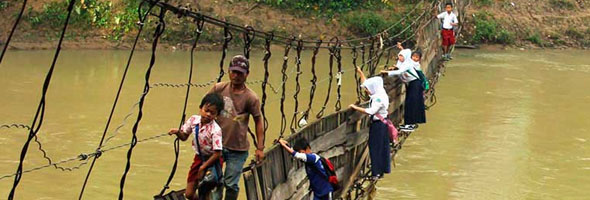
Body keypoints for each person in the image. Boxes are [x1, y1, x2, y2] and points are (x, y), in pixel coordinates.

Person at [208, 55, 265, 200]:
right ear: (228, 71)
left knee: (231, 184)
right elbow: (204, 107)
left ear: (247, 74)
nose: (236, 76)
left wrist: (260, 148)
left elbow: (258, 121)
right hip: (217, 145)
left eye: (240, 72)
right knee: (215, 181)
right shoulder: (219, 89)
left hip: (237, 149)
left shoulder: (251, 97)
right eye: (233, 71)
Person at [168, 93, 225, 200]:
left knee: (208, 189)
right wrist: (177, 132)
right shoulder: (193, 120)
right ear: (200, 108)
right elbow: (184, 136)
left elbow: (218, 153)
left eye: (212, 113)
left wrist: (203, 168)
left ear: (216, 115)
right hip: (199, 158)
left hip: (212, 160)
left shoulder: (216, 130)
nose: (208, 114)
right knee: (189, 194)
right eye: (206, 110)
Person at [349, 67, 391, 178]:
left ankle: (376, 172)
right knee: (382, 147)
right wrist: (360, 73)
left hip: (379, 125)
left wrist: (355, 108)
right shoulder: (380, 91)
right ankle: (381, 170)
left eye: (367, 89)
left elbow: (371, 111)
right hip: (383, 122)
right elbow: (366, 83)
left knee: (375, 147)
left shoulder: (378, 98)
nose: (366, 91)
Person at [380, 49, 426, 132]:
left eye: (402, 56)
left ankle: (410, 125)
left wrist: (387, 72)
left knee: (411, 104)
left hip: (415, 84)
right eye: (399, 55)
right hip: (412, 84)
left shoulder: (407, 64)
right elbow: (398, 68)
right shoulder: (402, 63)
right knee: (411, 103)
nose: (400, 57)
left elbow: (400, 71)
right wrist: (393, 68)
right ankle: (410, 124)